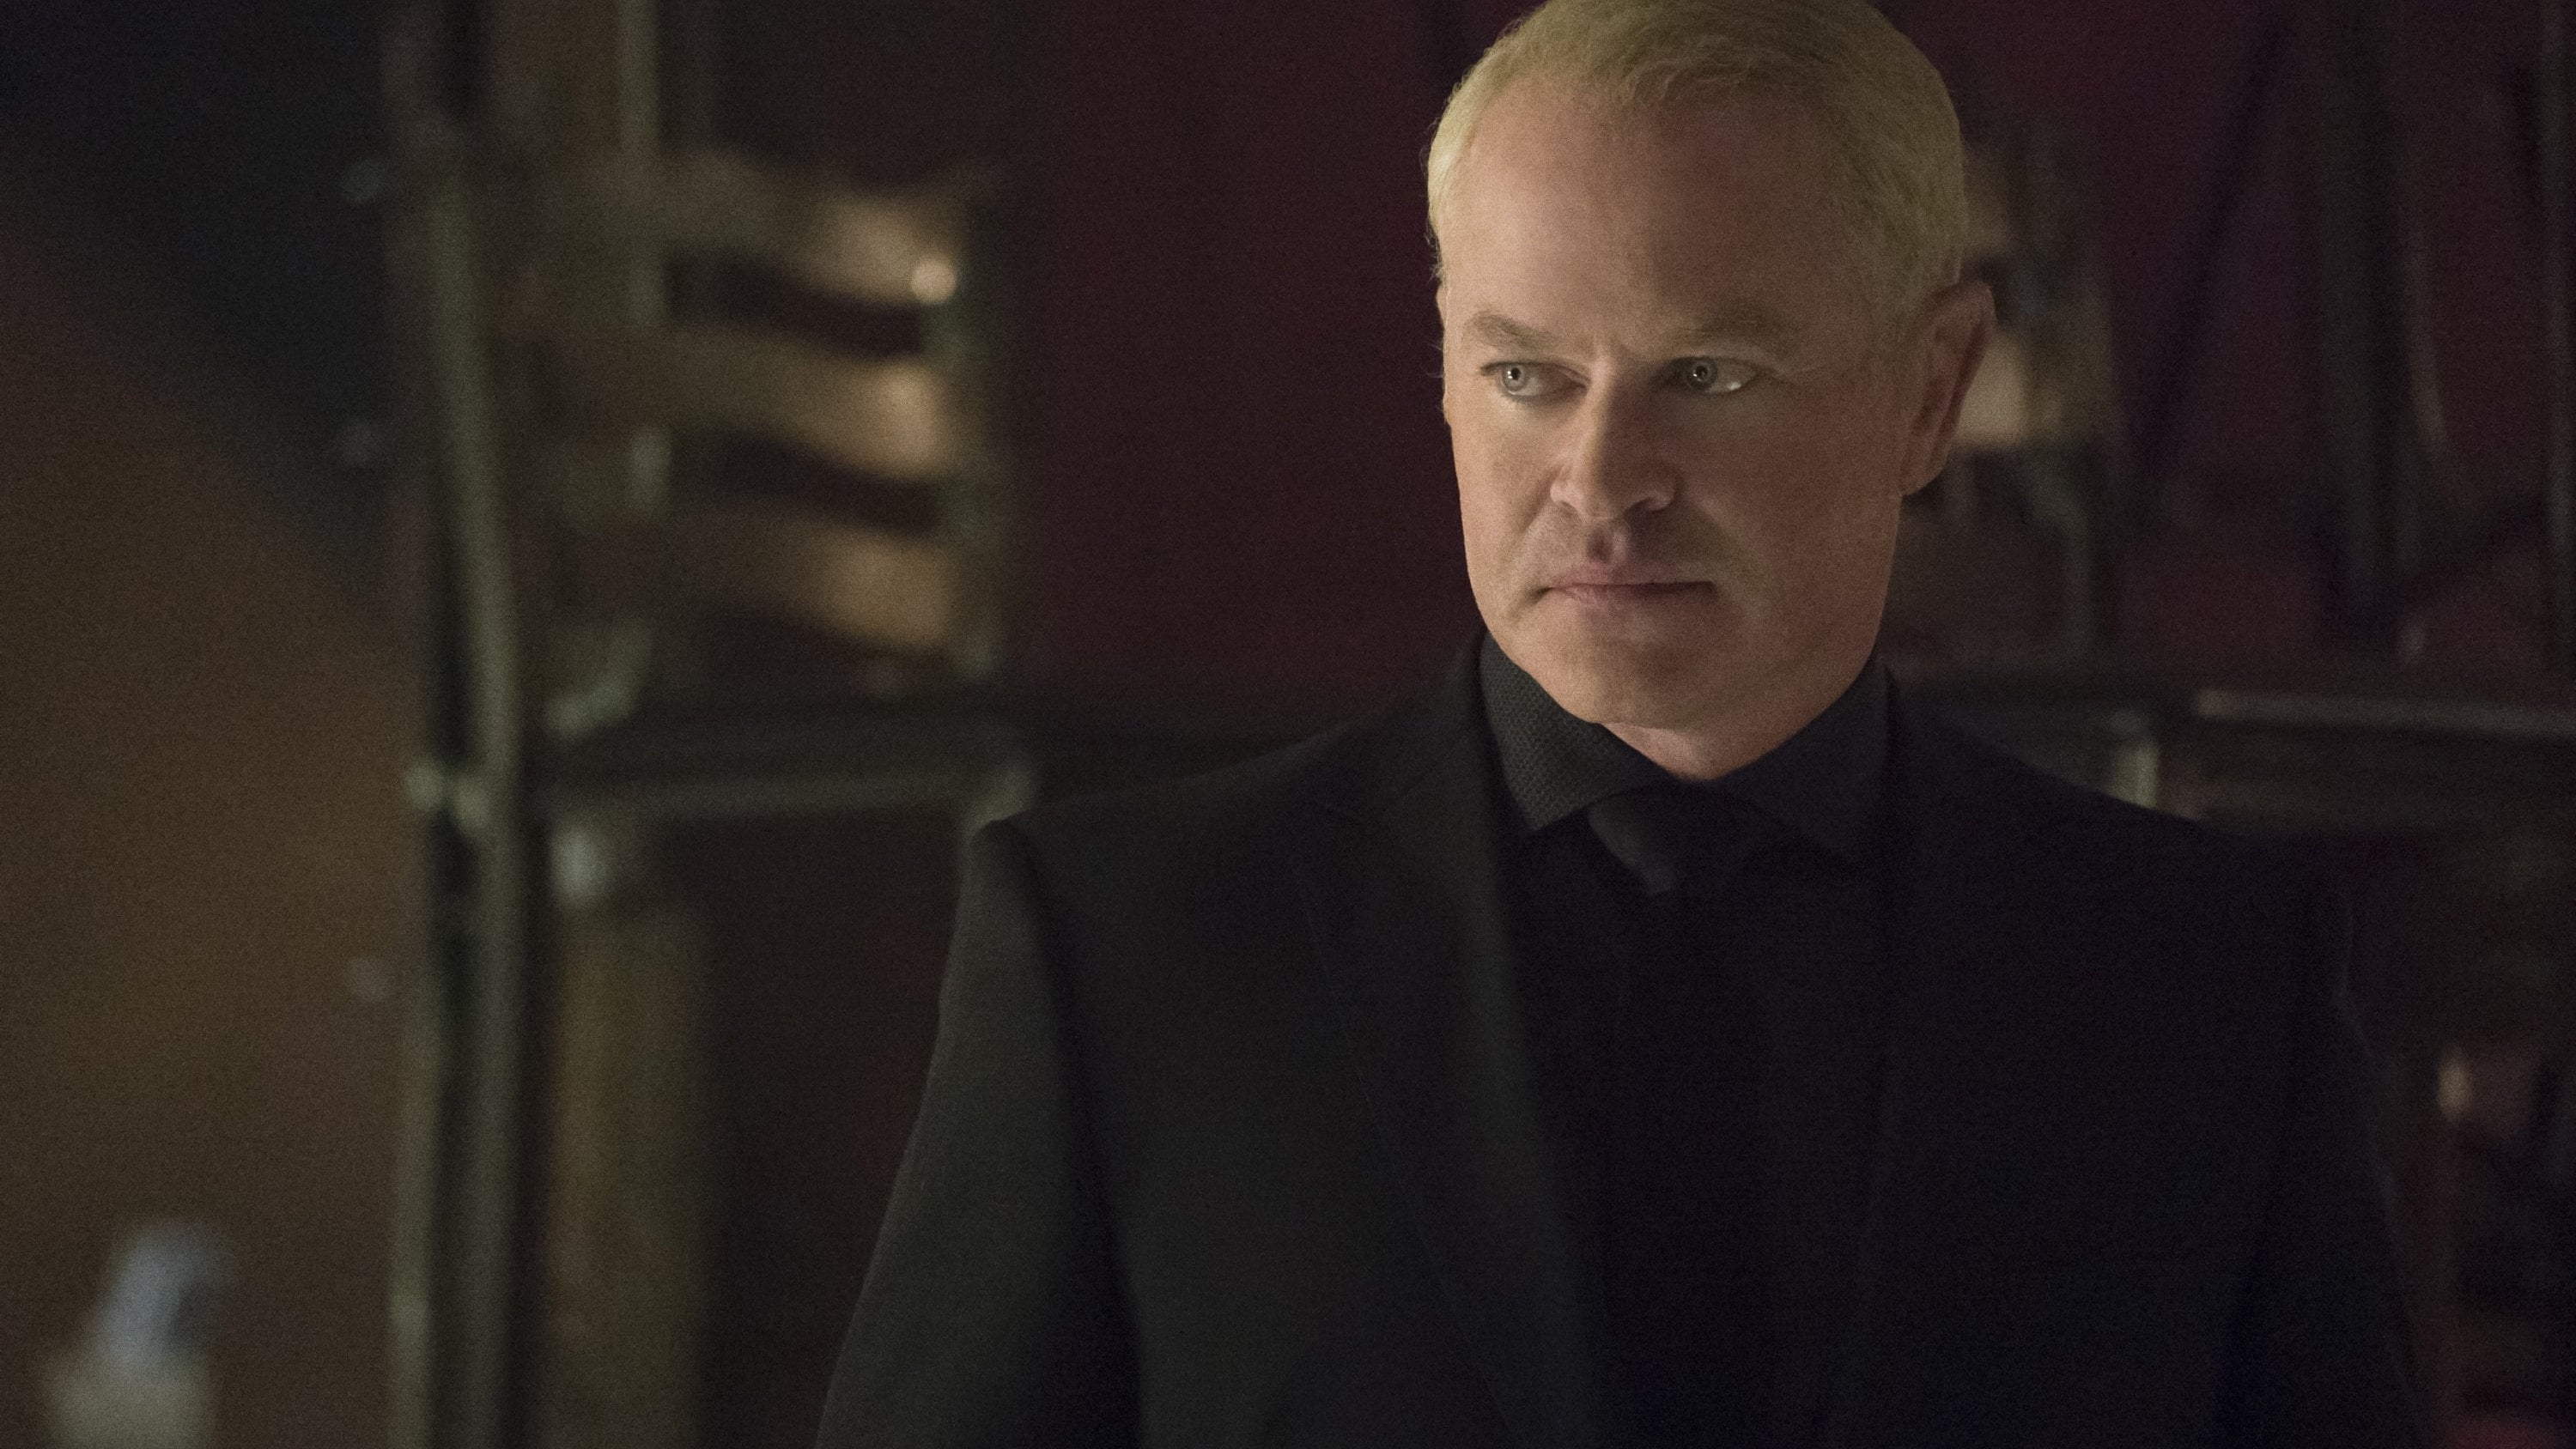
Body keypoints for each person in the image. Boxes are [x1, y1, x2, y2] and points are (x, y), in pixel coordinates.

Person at [817, 1, 2427, 1444]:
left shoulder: (2203, 986)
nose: (1599, 482)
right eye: (1526, 376)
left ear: (1931, 391)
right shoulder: (1132, 962)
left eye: (1706, 376)